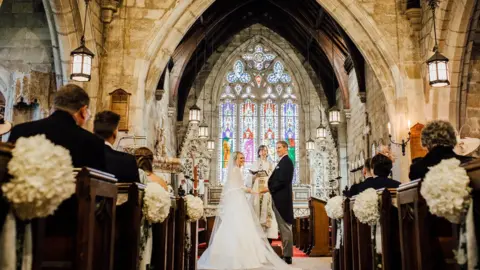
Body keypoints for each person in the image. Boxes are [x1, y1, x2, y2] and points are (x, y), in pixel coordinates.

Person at [197, 151, 298, 270]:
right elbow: (239, 187)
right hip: (238, 201)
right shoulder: (236, 171)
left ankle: (233, 255)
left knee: (237, 228)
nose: (243, 160)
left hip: (238, 200)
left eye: (243, 158)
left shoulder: (235, 170)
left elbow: (236, 187)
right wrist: (253, 191)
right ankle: (239, 256)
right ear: (235, 160)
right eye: (241, 158)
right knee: (240, 227)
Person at [8, 84, 105, 170]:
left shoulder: (20, 131)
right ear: (83, 111)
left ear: (54, 106)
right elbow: (97, 185)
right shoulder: (93, 143)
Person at [267, 141, 294, 265]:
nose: (277, 150)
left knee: (285, 227)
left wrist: (271, 188)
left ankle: (287, 256)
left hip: (282, 200)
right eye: (276, 148)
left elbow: (283, 180)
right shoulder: (282, 161)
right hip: (278, 198)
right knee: (283, 228)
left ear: (285, 148)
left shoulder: (287, 162)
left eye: (279, 148)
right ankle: (285, 253)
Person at [93, 111, 140, 183]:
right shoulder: (128, 161)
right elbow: (136, 191)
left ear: (94, 131)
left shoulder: (81, 156)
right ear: (114, 132)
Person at [249, 145, 278, 242]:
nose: (264, 152)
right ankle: (256, 232)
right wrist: (254, 176)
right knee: (256, 206)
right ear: (258, 152)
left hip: (266, 187)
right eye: (261, 150)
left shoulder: (270, 164)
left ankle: (267, 232)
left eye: (265, 150)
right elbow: (249, 177)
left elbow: (274, 177)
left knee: (267, 207)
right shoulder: (255, 163)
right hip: (257, 186)